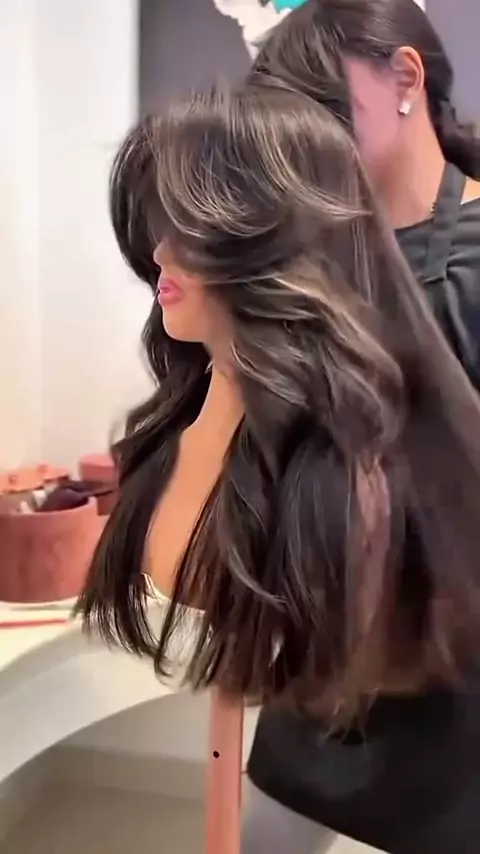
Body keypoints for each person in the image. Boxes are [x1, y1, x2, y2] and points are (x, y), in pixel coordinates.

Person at [77, 76, 480, 854]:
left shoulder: (359, 477)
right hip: (315, 729)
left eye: (189, 228)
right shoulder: (207, 415)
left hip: (429, 761)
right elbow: (179, 582)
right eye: (160, 227)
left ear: (271, 235)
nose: (159, 253)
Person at [241, 1, 480, 851]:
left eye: (321, 112)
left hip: (457, 674)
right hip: (326, 655)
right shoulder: (308, 260)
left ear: (405, 78)